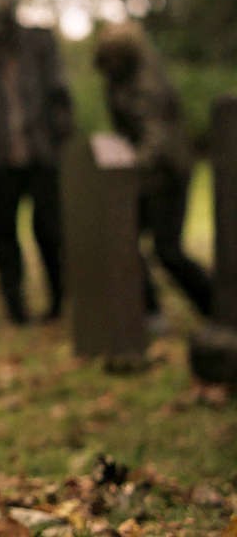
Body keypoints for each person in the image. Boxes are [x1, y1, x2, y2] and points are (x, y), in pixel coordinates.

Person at [0, 0, 74, 324]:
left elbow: (59, 94)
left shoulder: (38, 44)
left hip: (41, 155)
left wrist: (61, 140)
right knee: (5, 234)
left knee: (48, 229)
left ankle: (57, 301)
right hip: (3, 157)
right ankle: (15, 308)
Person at [93, 21, 212, 320]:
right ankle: (149, 311)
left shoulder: (147, 84)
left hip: (169, 174)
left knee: (168, 250)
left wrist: (130, 165)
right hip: (144, 178)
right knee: (123, 240)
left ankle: (216, 305)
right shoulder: (115, 80)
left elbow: (155, 137)